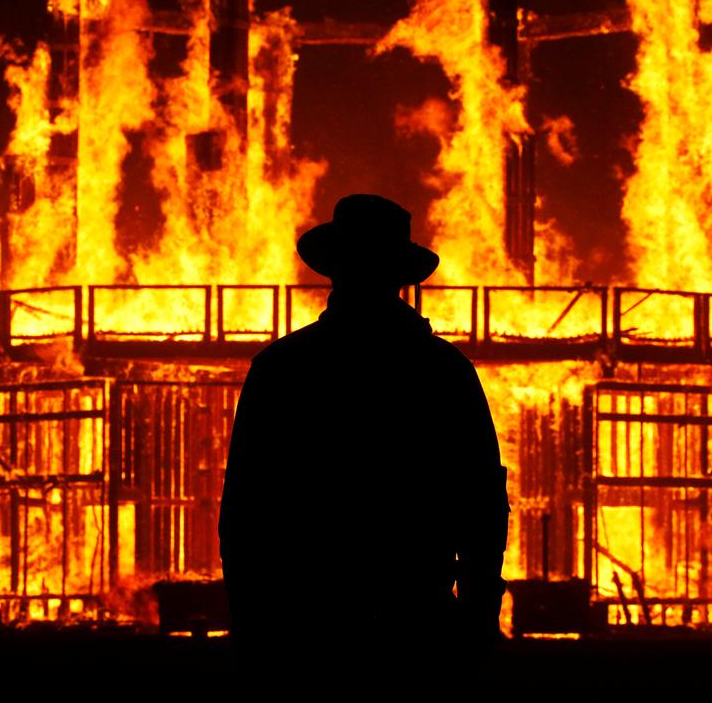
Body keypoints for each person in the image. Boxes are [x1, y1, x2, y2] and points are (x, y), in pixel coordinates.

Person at [218, 193, 509, 679]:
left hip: (306, 631)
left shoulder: (282, 369)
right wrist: (477, 619)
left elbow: (246, 514)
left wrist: (252, 626)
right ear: (401, 275)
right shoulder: (443, 372)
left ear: (333, 269)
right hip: (415, 627)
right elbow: (481, 509)